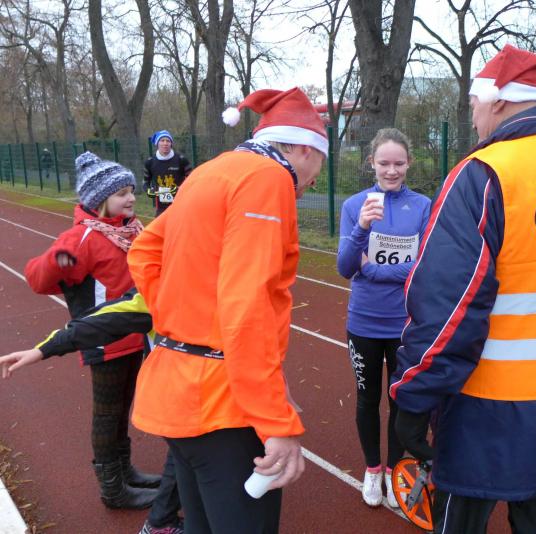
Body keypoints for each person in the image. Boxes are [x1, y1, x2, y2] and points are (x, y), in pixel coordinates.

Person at [389, 44, 536, 534]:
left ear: (498, 99)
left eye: (474, 102)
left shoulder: (483, 173)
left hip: (484, 402)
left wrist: (413, 395)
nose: (473, 114)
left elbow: (448, 306)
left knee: (459, 521)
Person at [126, 87, 326, 533]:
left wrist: (183, 322)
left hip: (176, 389)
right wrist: (276, 422)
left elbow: (144, 252)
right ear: (303, 149)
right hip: (222, 403)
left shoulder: (209, 171)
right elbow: (247, 305)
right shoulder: (268, 178)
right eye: (320, 162)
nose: (314, 180)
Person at [23, 152, 160, 510]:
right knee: (107, 412)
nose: (131, 198)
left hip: (134, 333)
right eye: (121, 193)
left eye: (131, 191)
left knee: (123, 407)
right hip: (103, 339)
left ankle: (125, 472)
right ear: (100, 200)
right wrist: (56, 262)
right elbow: (37, 278)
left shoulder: (132, 229)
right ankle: (112, 489)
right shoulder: (81, 237)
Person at [0, 289, 183, 534]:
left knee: (179, 451)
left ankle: (133, 484)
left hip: (133, 341)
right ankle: (117, 491)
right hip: (108, 343)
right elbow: (42, 277)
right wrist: (46, 347)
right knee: (109, 416)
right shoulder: (163, 288)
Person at [336, 128, 431, 507]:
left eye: (399, 163)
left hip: (405, 324)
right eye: (384, 163)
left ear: (409, 164)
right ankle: (373, 469)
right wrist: (361, 228)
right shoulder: (354, 206)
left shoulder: (423, 206)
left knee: (401, 401)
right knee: (367, 399)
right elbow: (346, 267)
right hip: (364, 322)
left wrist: (373, 269)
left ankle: (394, 471)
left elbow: (424, 267)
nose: (392, 171)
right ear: (371, 163)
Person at [143, 130, 192, 216]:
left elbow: (192, 179)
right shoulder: (149, 162)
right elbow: (145, 182)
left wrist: (182, 188)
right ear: (157, 143)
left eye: (168, 141)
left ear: (171, 144)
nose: (165, 143)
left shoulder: (181, 160)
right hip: (160, 206)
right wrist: (148, 190)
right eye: (162, 141)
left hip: (180, 202)